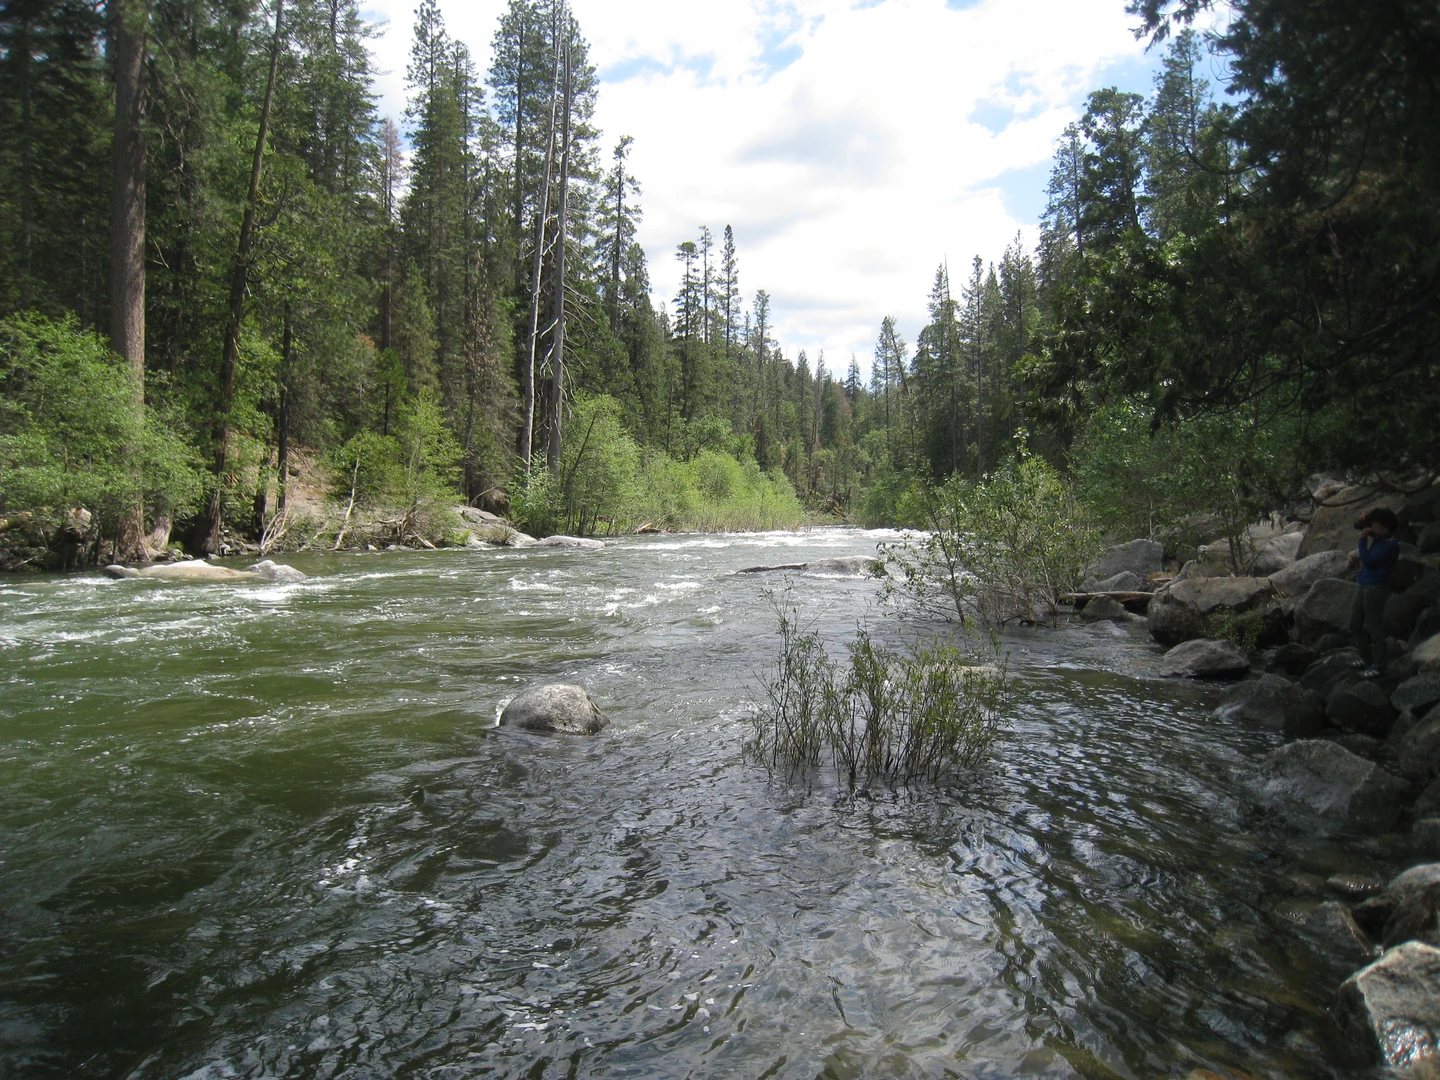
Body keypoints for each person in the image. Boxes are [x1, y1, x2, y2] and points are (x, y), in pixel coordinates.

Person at [1350, 507, 1401, 676]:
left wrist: (1363, 539)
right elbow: (1360, 526)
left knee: (1374, 626)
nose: (1372, 528)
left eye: (1376, 525)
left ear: (1386, 527)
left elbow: (1368, 560)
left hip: (1376, 588)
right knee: (1355, 624)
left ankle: (1379, 666)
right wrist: (1364, 519)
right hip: (1363, 584)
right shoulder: (1380, 537)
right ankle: (1365, 657)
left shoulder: (1391, 546)